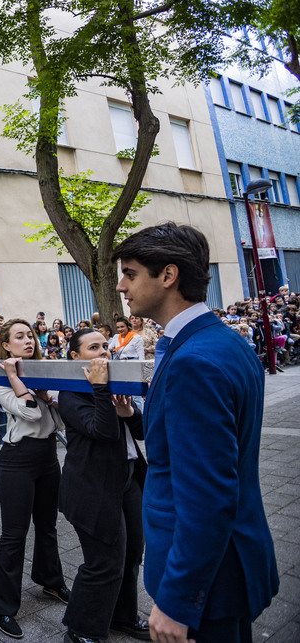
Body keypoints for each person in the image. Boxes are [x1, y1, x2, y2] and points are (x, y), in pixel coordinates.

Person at [113, 223, 278, 642]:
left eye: (130, 273)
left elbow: (207, 496)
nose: (120, 285)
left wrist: (177, 600)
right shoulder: (227, 341)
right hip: (229, 563)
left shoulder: (193, 362)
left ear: (168, 276)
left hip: (207, 582)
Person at [58, 329, 150, 643]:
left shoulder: (114, 386)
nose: (103, 353)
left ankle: (122, 617)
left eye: (105, 347)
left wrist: (128, 411)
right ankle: (81, 628)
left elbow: (139, 431)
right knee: (104, 561)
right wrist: (100, 391)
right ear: (75, 357)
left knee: (132, 553)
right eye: (93, 347)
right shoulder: (70, 394)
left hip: (126, 479)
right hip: (91, 487)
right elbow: (103, 431)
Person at [0, 319, 69, 639]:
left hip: (48, 459)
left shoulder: (41, 376)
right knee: (14, 535)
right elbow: (31, 414)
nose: (28, 340)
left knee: (48, 526)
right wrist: (12, 376)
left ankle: (51, 581)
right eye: (19, 337)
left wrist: (48, 396)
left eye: (29, 335)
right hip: (17, 462)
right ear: (6, 345)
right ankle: (1, 606)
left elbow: (59, 422)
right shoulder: (3, 384)